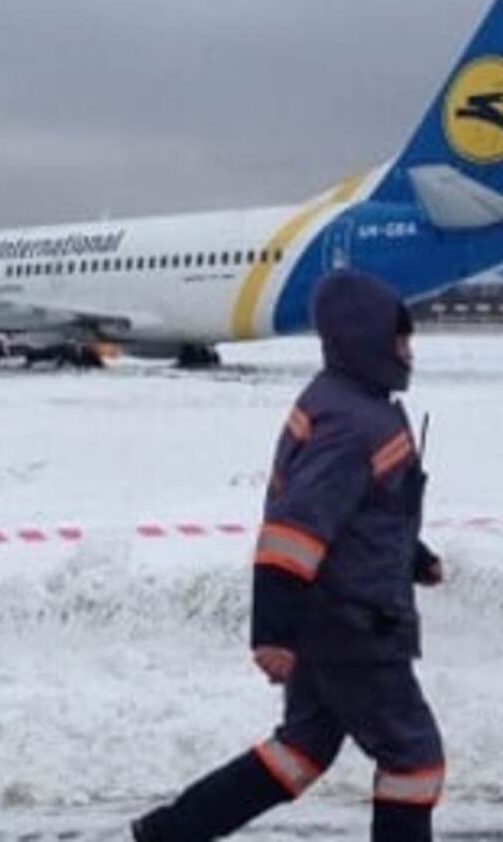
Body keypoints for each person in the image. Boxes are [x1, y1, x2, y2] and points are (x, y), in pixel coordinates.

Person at [133, 270, 447, 841]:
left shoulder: (357, 403)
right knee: (413, 758)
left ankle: (170, 833)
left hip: (336, 617)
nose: (409, 352)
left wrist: (413, 557)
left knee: (300, 751)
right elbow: (294, 531)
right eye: (401, 339)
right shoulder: (352, 423)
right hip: (352, 626)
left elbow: (365, 514)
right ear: (368, 341)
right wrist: (271, 633)